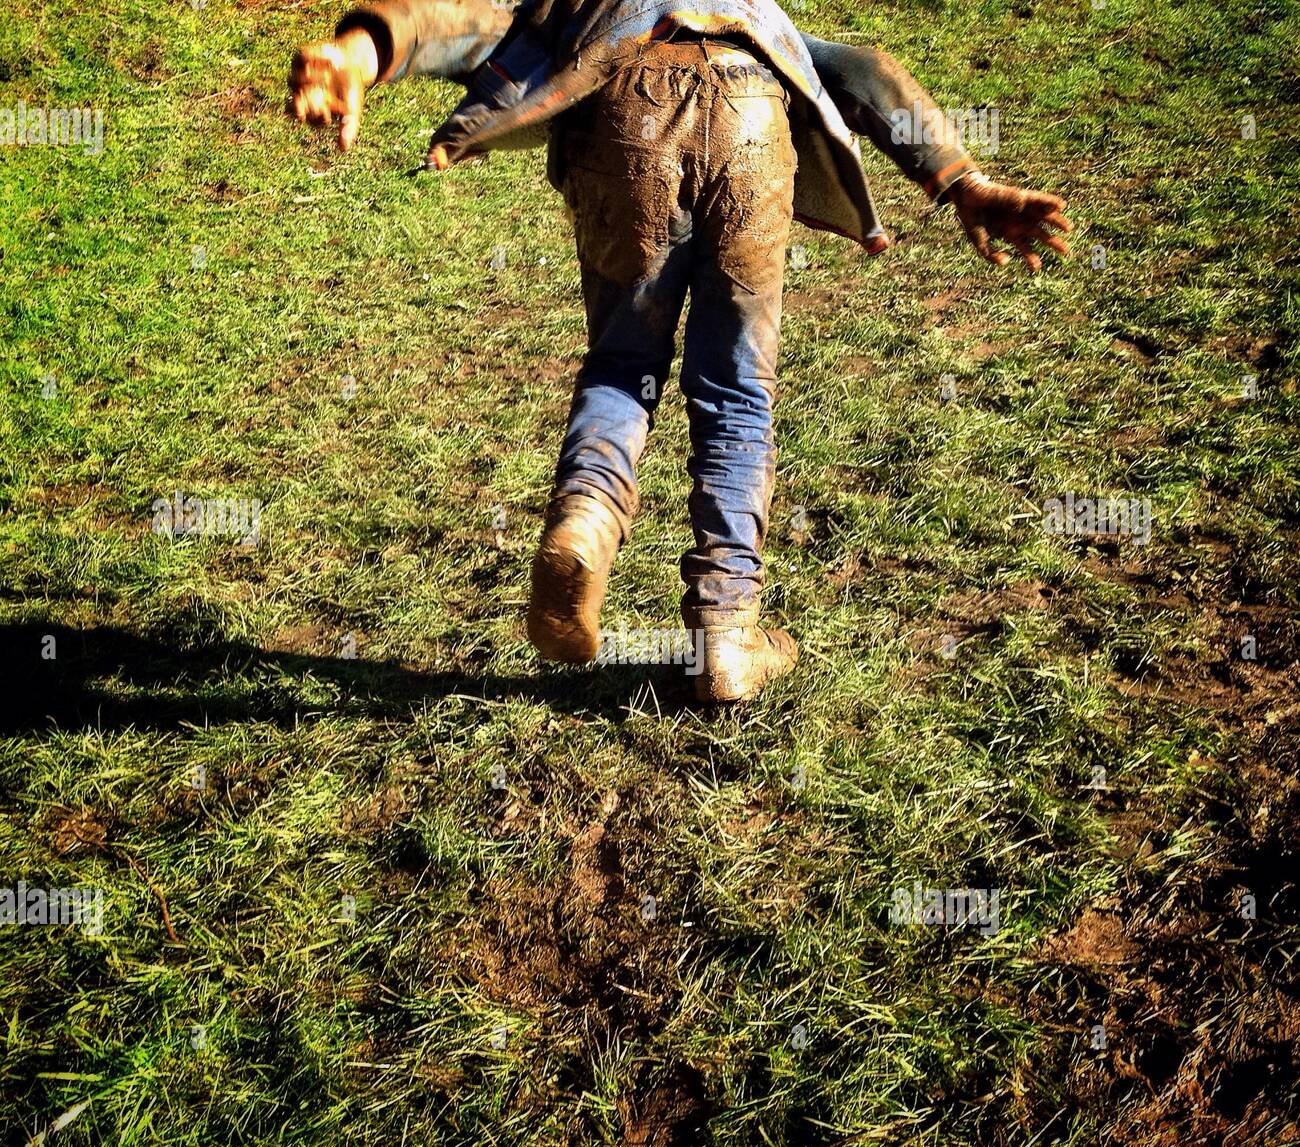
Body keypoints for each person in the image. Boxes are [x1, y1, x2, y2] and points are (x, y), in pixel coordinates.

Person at [289, 1, 1071, 700]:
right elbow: (863, 71)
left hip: (626, 123)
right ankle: (726, 636)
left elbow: (451, 25)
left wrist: (354, 53)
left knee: (624, 363)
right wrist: (962, 182)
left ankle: (587, 520)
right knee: (736, 391)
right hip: (752, 117)